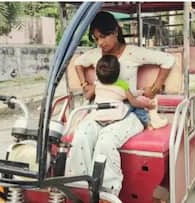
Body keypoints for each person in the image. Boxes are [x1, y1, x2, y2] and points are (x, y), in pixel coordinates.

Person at [65, 11, 175, 196]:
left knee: (105, 140)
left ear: (115, 31)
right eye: (96, 38)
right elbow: (78, 63)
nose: (100, 43)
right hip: (101, 111)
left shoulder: (133, 52)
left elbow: (168, 60)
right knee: (81, 135)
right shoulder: (95, 54)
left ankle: (107, 194)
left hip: (128, 112)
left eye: (103, 37)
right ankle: (80, 190)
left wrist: (155, 88)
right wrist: (86, 85)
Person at [93, 54, 156, 129]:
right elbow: (133, 101)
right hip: (115, 116)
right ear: (118, 71)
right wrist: (147, 105)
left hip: (98, 117)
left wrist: (141, 91)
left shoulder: (97, 84)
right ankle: (147, 123)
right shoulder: (122, 85)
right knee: (137, 104)